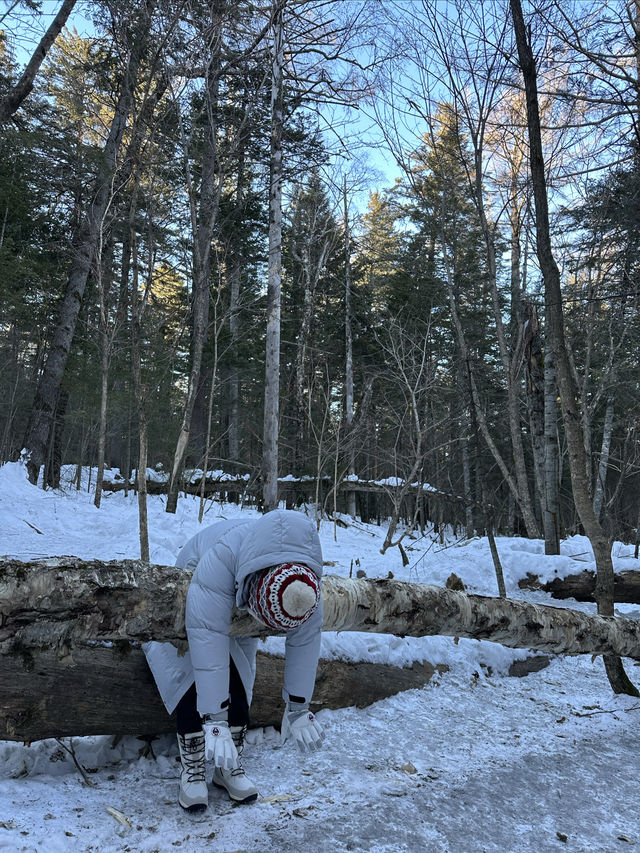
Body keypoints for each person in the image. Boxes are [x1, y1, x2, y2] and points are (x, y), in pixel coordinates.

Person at [143, 509, 325, 811]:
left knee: (240, 679)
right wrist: (214, 720)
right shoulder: (220, 561)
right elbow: (206, 637)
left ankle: (228, 768)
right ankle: (194, 769)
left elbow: (306, 640)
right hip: (194, 578)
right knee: (194, 678)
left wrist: (298, 706)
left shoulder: (306, 586)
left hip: (249, 590)